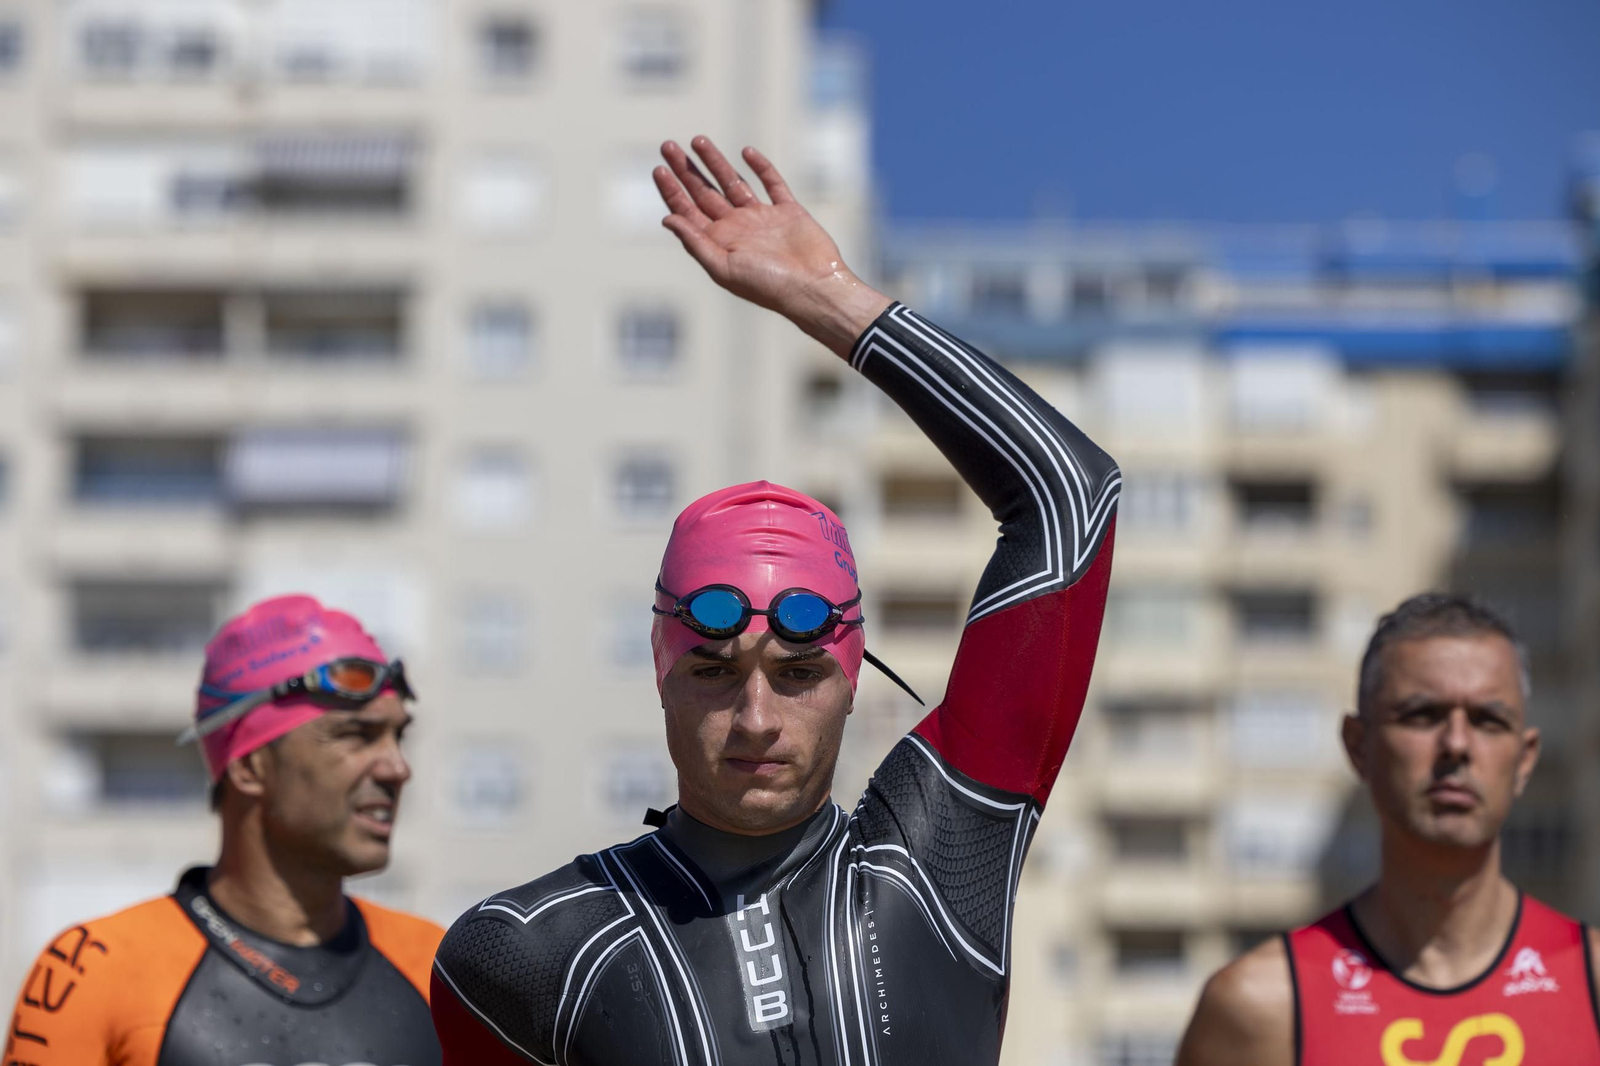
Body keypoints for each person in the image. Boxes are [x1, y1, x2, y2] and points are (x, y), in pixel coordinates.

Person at [429, 136, 1121, 1065]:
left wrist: (825, 293)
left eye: (798, 675)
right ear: (661, 668)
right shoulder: (523, 956)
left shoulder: (942, 859)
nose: (757, 719)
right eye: (716, 672)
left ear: (850, 677)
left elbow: (1071, 494)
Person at [3, 594, 445, 1066]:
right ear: (251, 767)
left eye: (398, 737)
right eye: (356, 736)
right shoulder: (93, 969)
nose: (398, 768)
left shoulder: (442, 966)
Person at [1176, 594, 1600, 1066]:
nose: (1456, 745)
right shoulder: (1259, 1007)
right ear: (1358, 747)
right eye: (1422, 715)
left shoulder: (1593, 988)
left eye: (1487, 720)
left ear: (1524, 760)